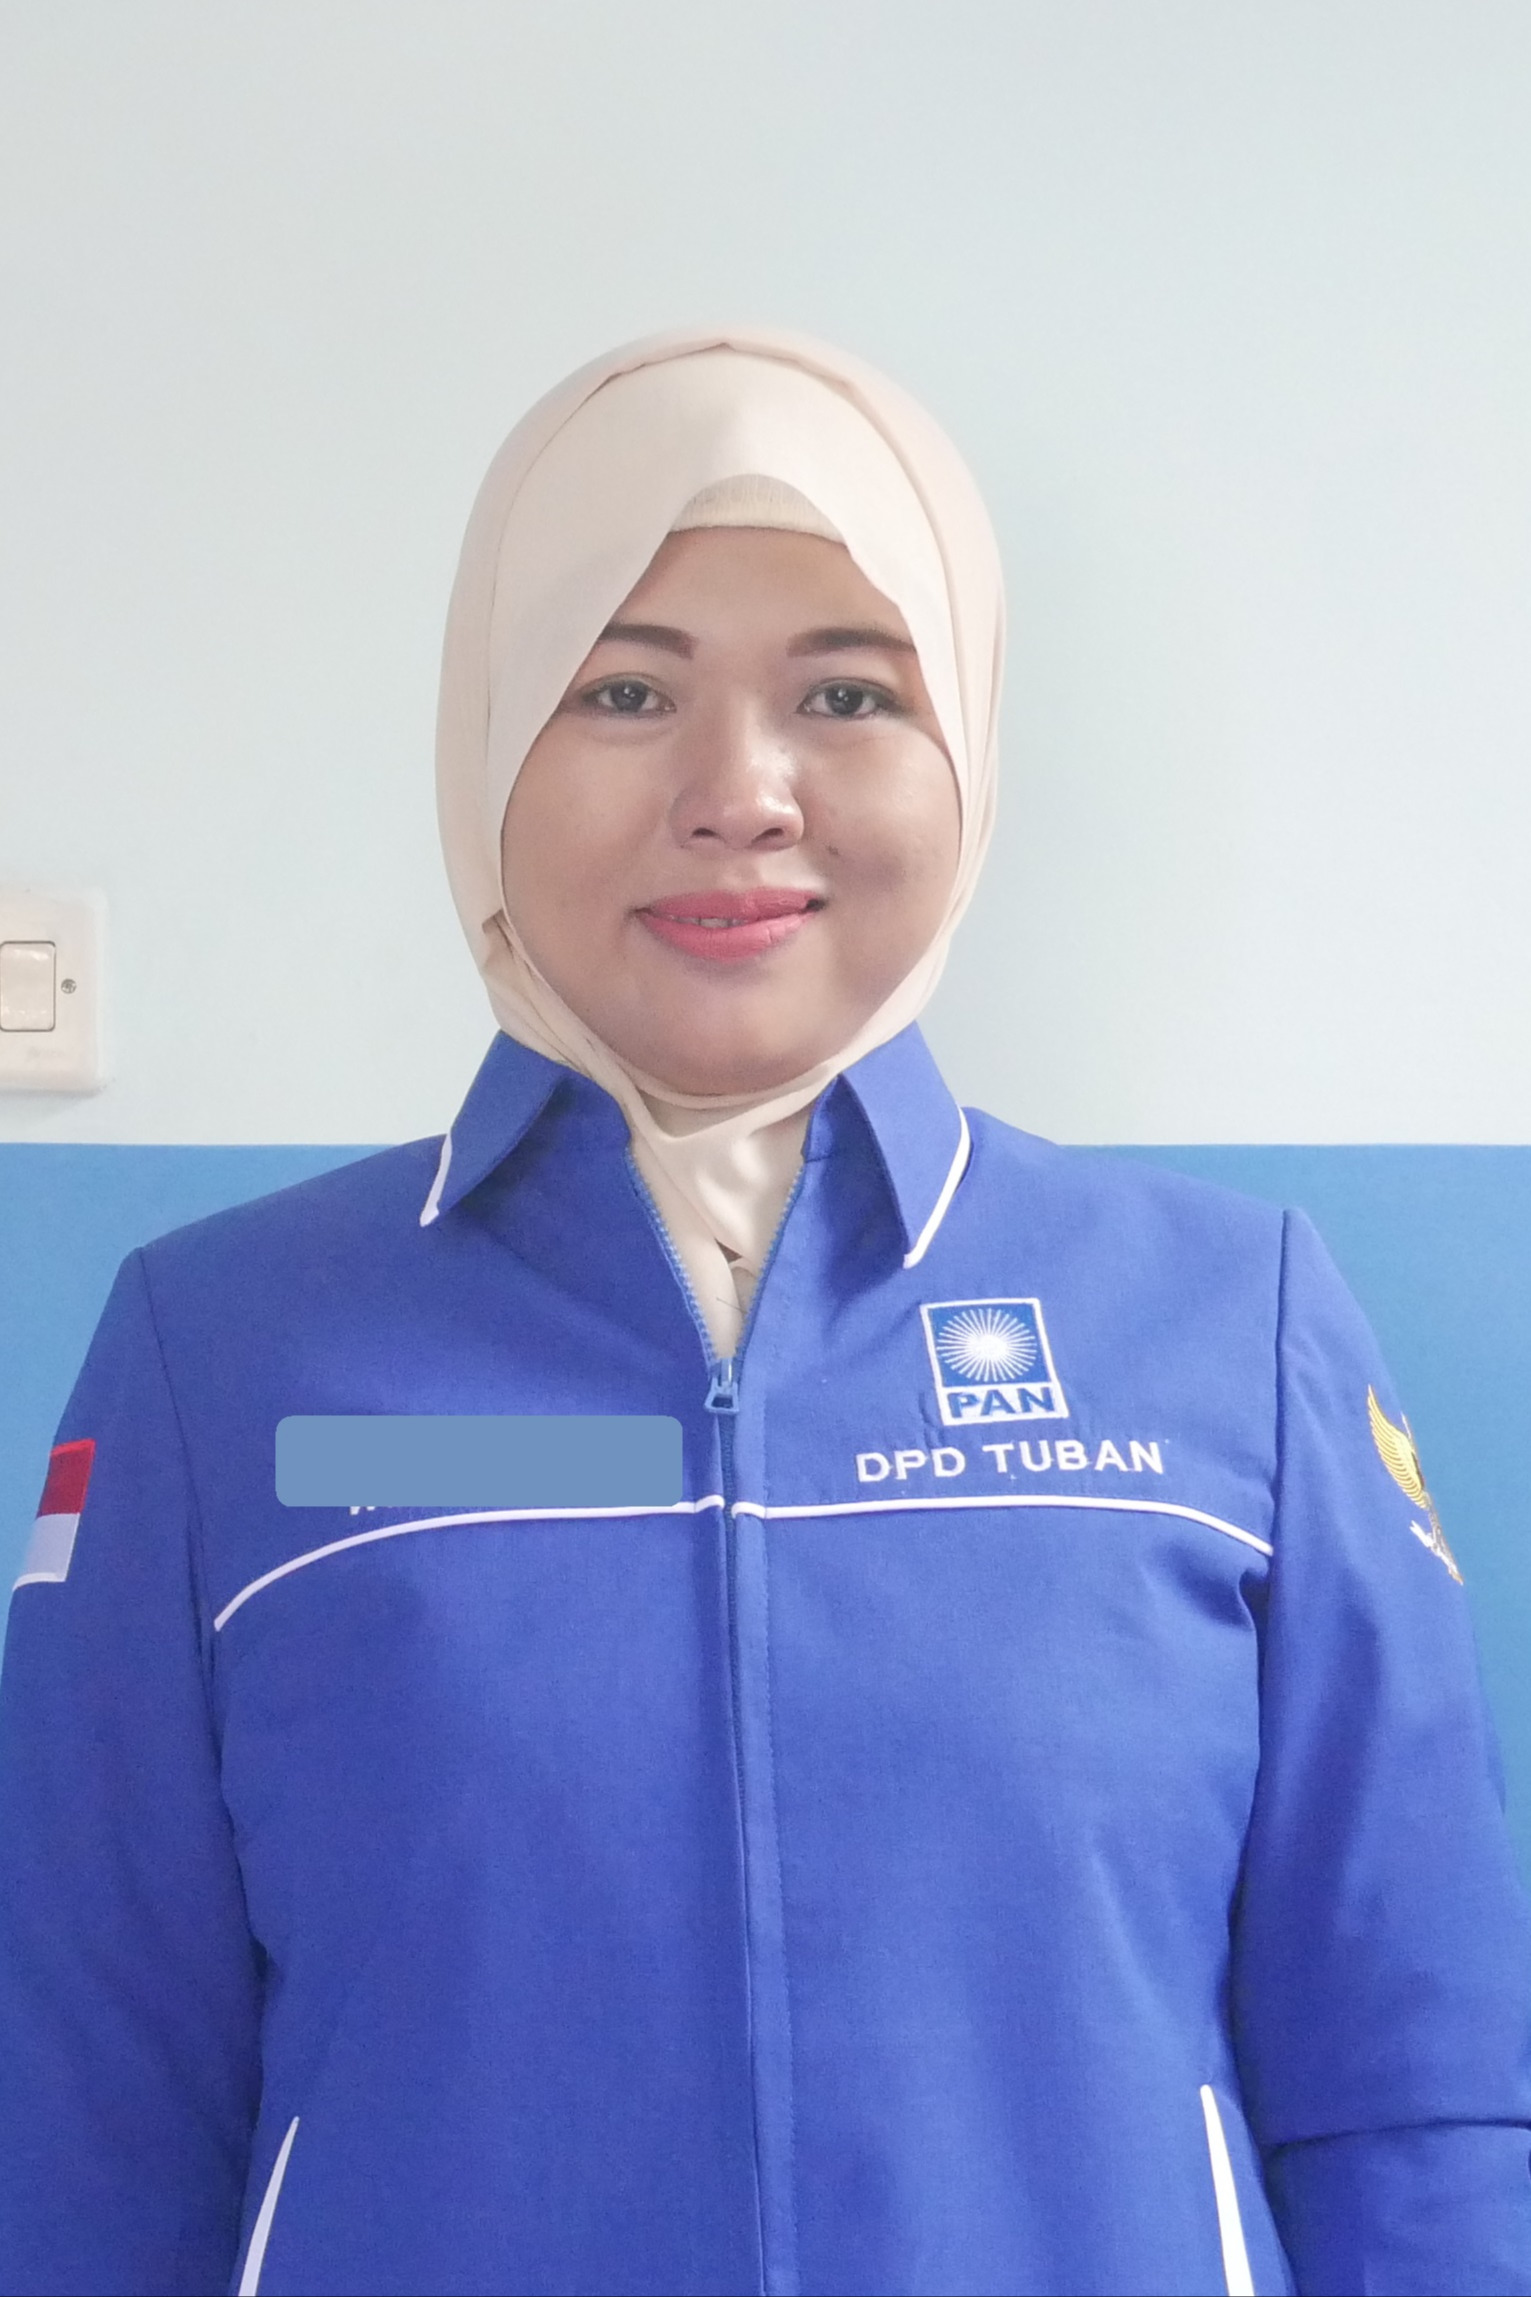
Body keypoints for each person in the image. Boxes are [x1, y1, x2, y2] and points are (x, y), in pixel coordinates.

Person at [1, 328, 1528, 2297]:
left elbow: (1416, 2096)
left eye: (848, 692)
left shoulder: (1233, 1327)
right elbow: (82, 2118)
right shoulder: (226, 1356)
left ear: (966, 743)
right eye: (624, 688)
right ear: (488, 739)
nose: (738, 793)